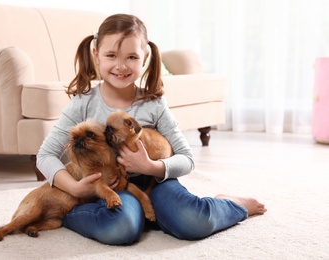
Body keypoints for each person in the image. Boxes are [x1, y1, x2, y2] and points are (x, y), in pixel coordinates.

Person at [37, 13, 266, 245]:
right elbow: (45, 155)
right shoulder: (83, 103)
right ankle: (95, 216)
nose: (120, 66)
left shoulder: (154, 104)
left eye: (132, 57)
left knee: (195, 221)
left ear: (145, 56)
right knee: (121, 228)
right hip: (116, 189)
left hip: (157, 184)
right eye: (111, 55)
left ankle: (229, 203)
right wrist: (76, 188)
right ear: (96, 55)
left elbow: (187, 159)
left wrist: (150, 166)